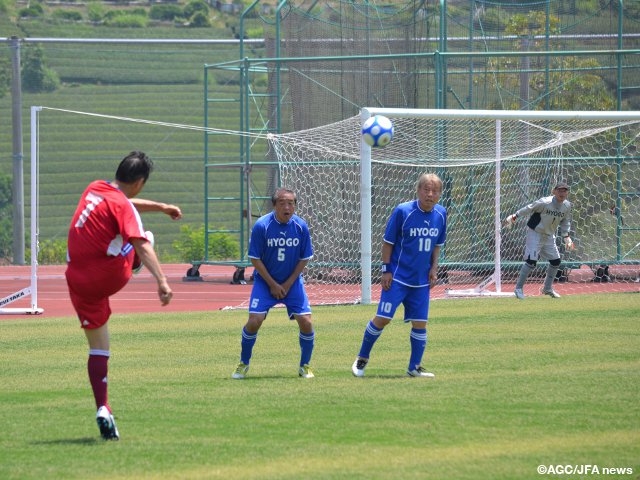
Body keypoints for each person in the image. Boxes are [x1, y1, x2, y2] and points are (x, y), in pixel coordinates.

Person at [65, 151, 182, 440]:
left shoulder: (95, 188)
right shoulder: (124, 207)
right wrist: (163, 282)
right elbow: (139, 239)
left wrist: (163, 206)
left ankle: (103, 408)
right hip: (108, 275)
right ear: (140, 181)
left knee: (99, 348)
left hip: (76, 280)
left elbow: (124, 204)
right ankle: (135, 267)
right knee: (146, 237)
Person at [352, 173, 447, 378]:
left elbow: (437, 246)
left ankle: (414, 367)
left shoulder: (441, 214)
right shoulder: (403, 211)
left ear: (439, 194)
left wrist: (434, 269)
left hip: (421, 281)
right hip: (397, 277)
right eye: (426, 189)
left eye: (435, 191)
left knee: (420, 323)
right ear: (418, 190)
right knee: (383, 318)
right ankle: (362, 359)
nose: (430, 194)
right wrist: (386, 270)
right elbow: (388, 243)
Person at [232, 188, 316, 379]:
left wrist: (287, 284)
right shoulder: (263, 226)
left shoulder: (301, 226)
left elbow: (304, 258)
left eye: (291, 203)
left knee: (306, 322)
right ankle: (243, 363)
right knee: (254, 321)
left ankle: (305, 366)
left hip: (291, 283)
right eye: (282, 203)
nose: (287, 207)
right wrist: (272, 284)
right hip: (265, 283)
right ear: (274, 205)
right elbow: (255, 259)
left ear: (295, 205)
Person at [504, 180, 574, 300]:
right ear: (554, 191)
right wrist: (515, 216)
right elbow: (529, 208)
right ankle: (518, 289)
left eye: (565, 190)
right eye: (560, 190)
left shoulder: (567, 206)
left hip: (549, 236)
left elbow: (565, 221)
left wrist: (567, 237)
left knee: (556, 261)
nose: (562, 193)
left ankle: (547, 288)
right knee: (531, 262)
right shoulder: (545, 202)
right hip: (535, 233)